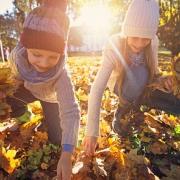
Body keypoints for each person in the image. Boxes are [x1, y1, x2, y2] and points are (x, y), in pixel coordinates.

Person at [83, 0, 180, 156]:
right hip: (122, 85)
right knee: (137, 75)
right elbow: (97, 88)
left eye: (145, 38)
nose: (140, 43)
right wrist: (92, 131)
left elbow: (154, 73)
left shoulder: (153, 42)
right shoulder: (114, 44)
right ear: (126, 30)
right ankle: (124, 108)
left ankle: (141, 102)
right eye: (134, 37)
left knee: (176, 101)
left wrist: (163, 80)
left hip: (145, 86)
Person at [3, 0, 80, 179]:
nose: (44, 63)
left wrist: (67, 153)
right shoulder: (17, 57)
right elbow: (11, 78)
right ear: (26, 47)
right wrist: (6, 92)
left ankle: (54, 128)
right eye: (37, 54)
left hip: (51, 97)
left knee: (57, 140)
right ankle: (24, 115)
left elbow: (71, 112)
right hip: (27, 89)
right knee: (7, 100)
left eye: (53, 56)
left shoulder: (61, 76)